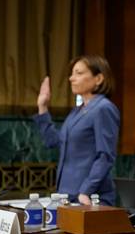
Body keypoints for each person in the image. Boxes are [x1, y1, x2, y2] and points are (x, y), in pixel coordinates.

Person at [34, 55, 119, 206]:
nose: (71, 78)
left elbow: (105, 155)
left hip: (89, 198)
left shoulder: (103, 108)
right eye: (72, 74)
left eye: (79, 73)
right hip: (67, 195)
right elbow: (53, 141)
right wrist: (43, 107)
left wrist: (86, 191)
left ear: (98, 78)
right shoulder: (77, 111)